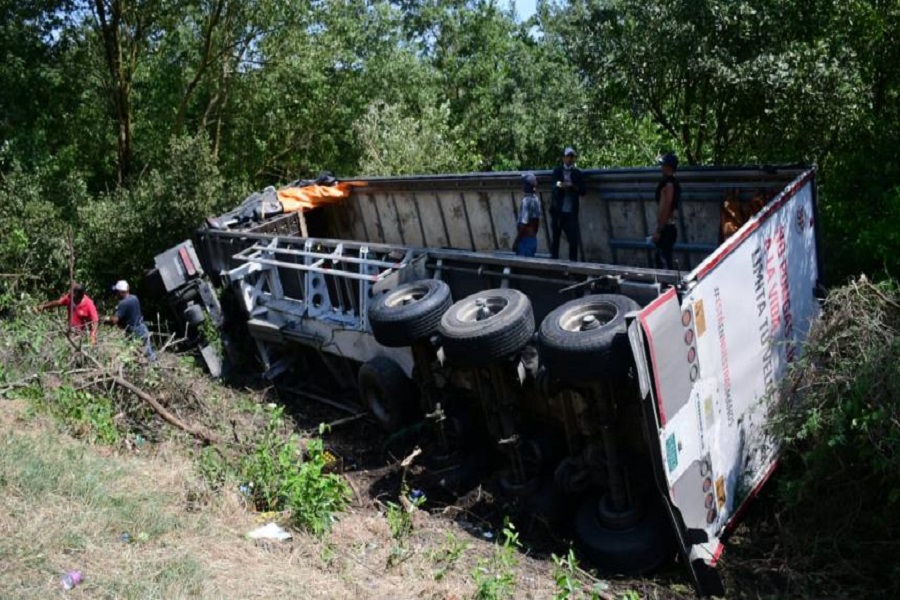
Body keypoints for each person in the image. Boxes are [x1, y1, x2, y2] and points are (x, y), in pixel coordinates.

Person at [105, 280, 156, 361]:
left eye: (117, 292)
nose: (116, 294)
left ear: (121, 292)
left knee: (144, 352)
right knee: (147, 351)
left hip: (135, 331)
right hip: (142, 327)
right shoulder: (134, 297)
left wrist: (107, 319)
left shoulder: (123, 303)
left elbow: (115, 320)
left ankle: (154, 366)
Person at [550, 147, 586, 261]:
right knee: (556, 238)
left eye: (572, 157)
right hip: (558, 211)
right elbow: (555, 184)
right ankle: (554, 262)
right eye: (568, 156)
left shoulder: (577, 173)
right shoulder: (557, 171)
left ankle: (573, 265)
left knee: (573, 239)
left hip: (571, 212)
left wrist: (573, 187)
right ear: (563, 158)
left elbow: (583, 190)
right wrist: (564, 185)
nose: (570, 159)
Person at [33, 283, 99, 345]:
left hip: (82, 335)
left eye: (73, 293)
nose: (70, 294)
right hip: (71, 331)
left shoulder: (89, 304)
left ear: (79, 295)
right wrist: (43, 307)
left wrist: (92, 335)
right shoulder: (70, 298)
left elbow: (95, 320)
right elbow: (58, 302)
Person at [653, 152, 681, 270]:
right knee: (662, 259)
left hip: (667, 228)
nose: (661, 168)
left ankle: (669, 286)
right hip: (667, 226)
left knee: (663, 261)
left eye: (663, 165)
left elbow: (667, 206)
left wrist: (659, 230)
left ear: (668, 167)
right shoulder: (670, 183)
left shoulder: (669, 185)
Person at [513, 172, 542, 257]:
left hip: (525, 241)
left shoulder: (526, 201)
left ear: (527, 186)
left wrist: (517, 241)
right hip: (532, 240)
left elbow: (523, 224)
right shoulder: (536, 200)